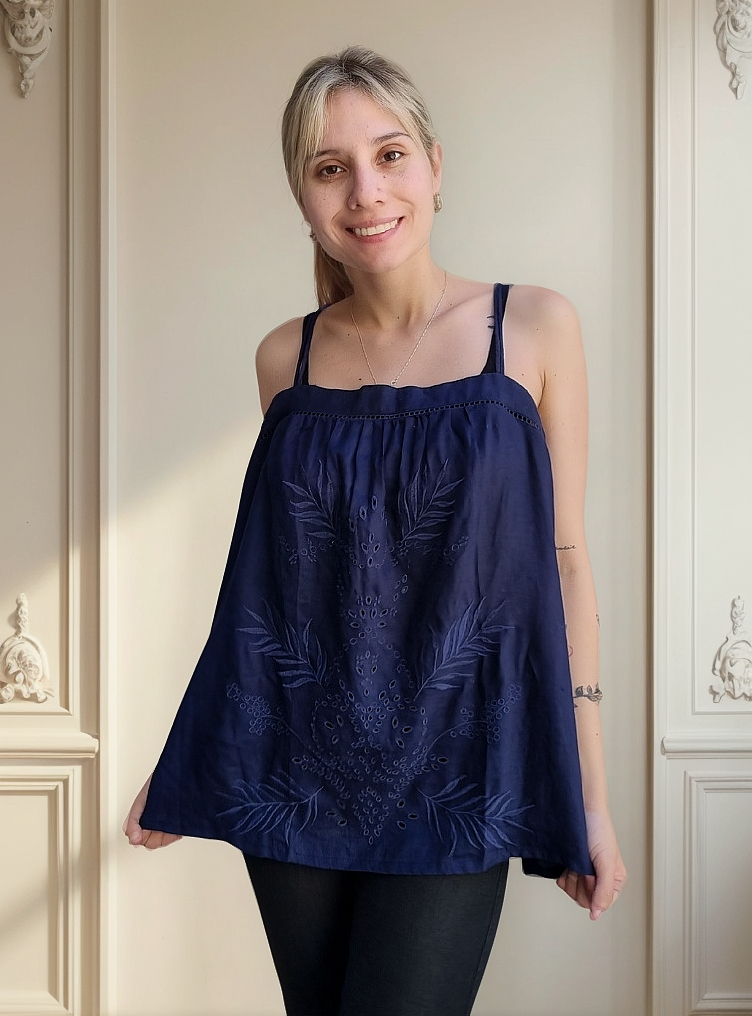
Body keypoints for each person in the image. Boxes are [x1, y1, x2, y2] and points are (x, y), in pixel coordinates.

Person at [124, 45, 627, 1016]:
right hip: (298, 768)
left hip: (460, 767)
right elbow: (271, 597)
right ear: (304, 198)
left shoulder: (532, 327)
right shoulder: (286, 358)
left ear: (433, 165)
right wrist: (188, 758)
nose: (365, 191)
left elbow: (565, 566)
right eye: (331, 168)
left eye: (389, 155)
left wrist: (590, 799)